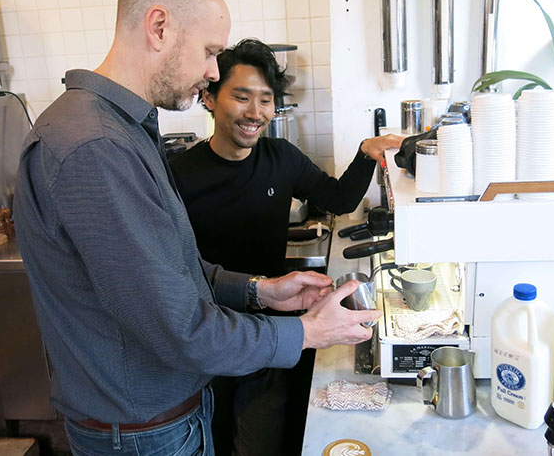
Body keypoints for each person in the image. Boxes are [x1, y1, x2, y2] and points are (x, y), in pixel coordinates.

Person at [12, 0, 382, 456]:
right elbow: (179, 328)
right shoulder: (94, 148)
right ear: (159, 27)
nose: (211, 71)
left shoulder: (120, 131)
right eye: (210, 53)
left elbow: (171, 269)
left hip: (165, 418)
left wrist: (259, 291)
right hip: (144, 435)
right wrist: (305, 332)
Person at [169, 38, 403, 456]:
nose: (255, 112)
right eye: (241, 97)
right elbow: (173, 266)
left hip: (268, 331)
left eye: (265, 100)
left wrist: (366, 154)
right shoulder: (179, 174)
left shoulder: (281, 157)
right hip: (205, 336)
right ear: (209, 97)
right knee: (211, 440)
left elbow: (338, 200)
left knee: (261, 441)